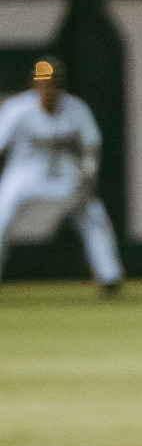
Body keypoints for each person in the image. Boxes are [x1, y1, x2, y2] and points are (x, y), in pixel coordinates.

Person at [0, 57, 124, 294]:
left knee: (93, 214)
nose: (47, 87)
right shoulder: (18, 109)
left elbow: (91, 146)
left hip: (66, 177)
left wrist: (88, 175)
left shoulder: (75, 108)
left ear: (60, 84)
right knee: (0, 215)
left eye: (52, 81)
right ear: (34, 84)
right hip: (25, 174)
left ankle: (110, 277)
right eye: (43, 82)